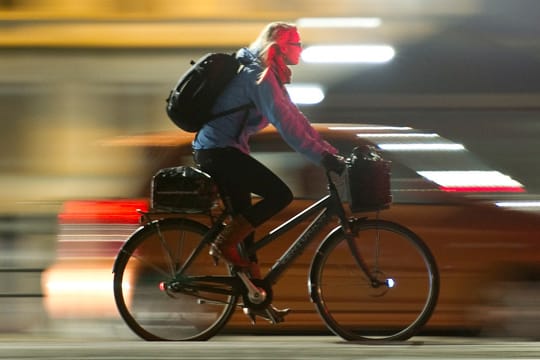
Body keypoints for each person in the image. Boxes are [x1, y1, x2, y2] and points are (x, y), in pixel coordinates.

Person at [192, 22, 344, 321]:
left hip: (223, 150)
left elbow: (295, 119)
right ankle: (223, 244)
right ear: (280, 46)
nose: (301, 49)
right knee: (279, 194)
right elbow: (286, 126)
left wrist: (327, 152)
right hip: (218, 151)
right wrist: (322, 158)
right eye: (297, 44)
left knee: (245, 227)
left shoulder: (267, 76)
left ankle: (253, 296)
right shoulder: (258, 78)